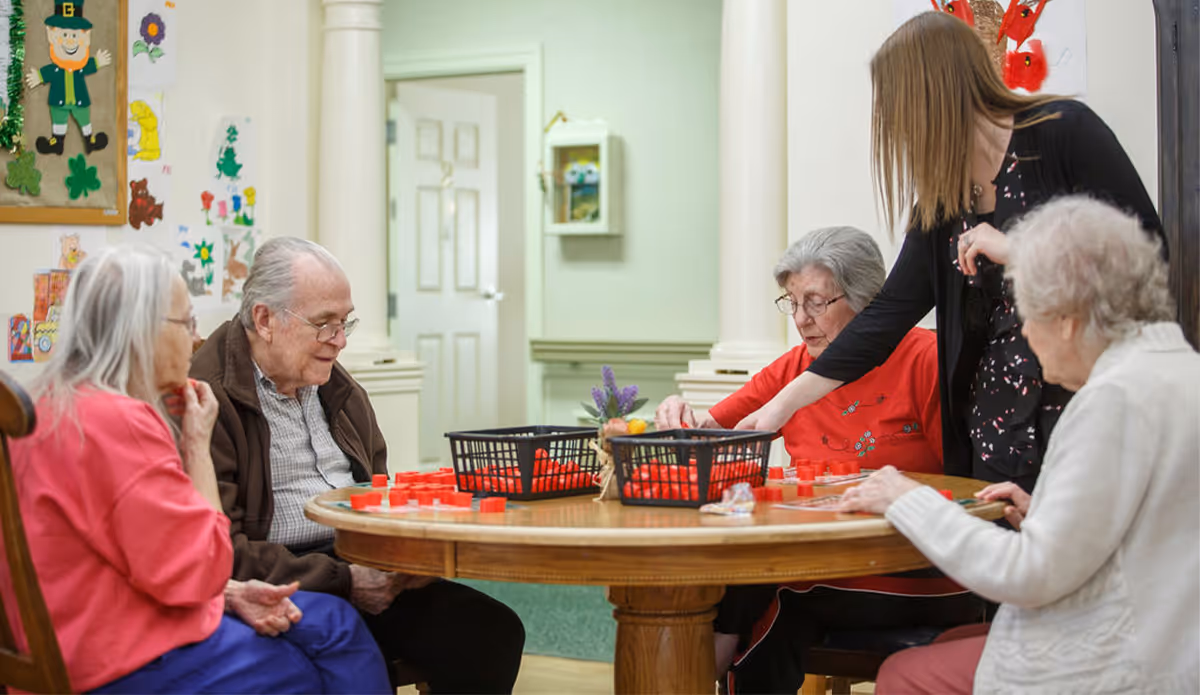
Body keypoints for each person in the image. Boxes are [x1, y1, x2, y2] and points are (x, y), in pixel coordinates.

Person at [735, 11, 1166, 494]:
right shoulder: (942, 202)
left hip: (1088, 408)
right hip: (997, 432)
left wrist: (1019, 249)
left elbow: (1145, 253)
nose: (898, 133)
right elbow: (884, 320)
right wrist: (781, 406)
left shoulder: (1064, 132)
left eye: (899, 113)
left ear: (934, 96)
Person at [840, 196, 1200, 693]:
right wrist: (1044, 514)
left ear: (1068, 320)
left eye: (1028, 314)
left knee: (904, 674)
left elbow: (1028, 574)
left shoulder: (1112, 399)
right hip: (1173, 646)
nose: (1025, 333)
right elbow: (1150, 527)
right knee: (956, 640)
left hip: (1125, 664)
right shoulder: (1182, 372)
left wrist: (908, 500)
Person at [1, 246, 390, 693]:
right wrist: (197, 447)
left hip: (65, 639)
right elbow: (203, 569)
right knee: (301, 663)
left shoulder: (44, 407)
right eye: (186, 323)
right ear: (140, 330)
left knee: (327, 626)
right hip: (111, 658)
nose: (194, 339)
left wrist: (228, 593)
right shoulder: (122, 421)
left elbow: (142, 558)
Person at [190, 236, 526, 693]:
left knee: (491, 632)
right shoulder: (207, 400)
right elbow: (223, 550)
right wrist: (343, 581)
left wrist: (410, 558)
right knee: (357, 656)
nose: (341, 341)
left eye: (345, 322)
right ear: (265, 319)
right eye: (325, 324)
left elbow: (379, 489)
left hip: (361, 563)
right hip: (284, 582)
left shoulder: (335, 388)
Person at [657, 227, 983, 694]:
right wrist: (678, 414)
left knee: (780, 598)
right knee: (725, 581)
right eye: (792, 302)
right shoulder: (793, 370)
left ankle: (710, 664)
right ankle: (701, 666)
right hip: (825, 565)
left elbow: (966, 489)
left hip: (921, 568)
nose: (802, 319)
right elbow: (712, 428)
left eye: (816, 302)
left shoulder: (923, 359)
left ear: (867, 300)